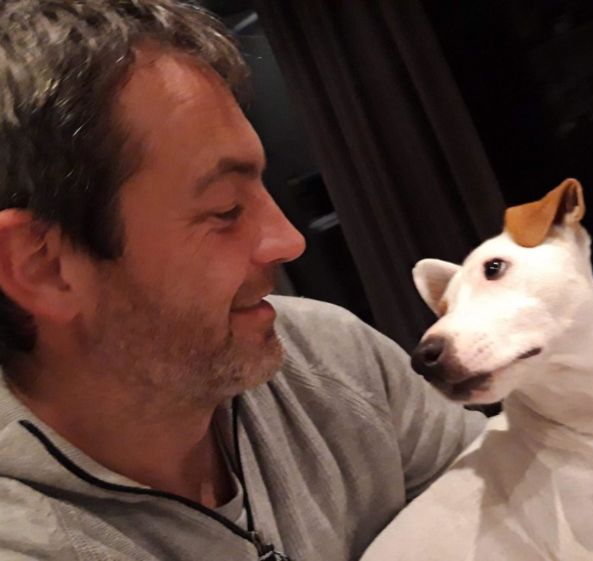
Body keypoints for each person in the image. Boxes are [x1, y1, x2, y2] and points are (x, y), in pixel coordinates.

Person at [0, 1, 485, 560]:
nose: (288, 240)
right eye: (226, 209)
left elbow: (518, 507)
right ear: (43, 266)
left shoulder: (332, 358)